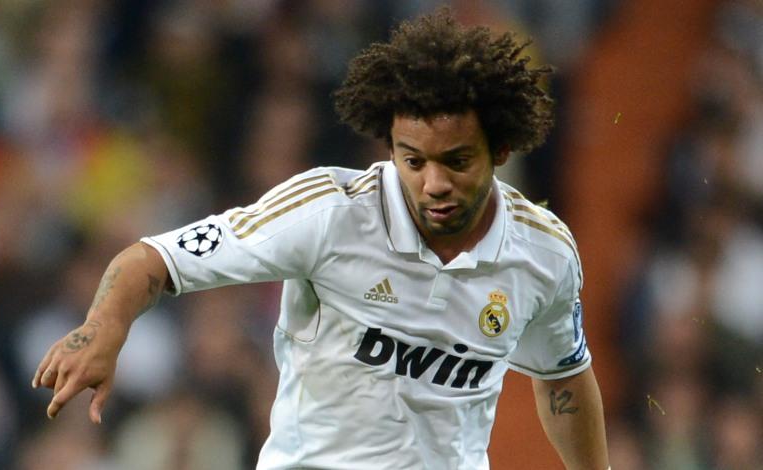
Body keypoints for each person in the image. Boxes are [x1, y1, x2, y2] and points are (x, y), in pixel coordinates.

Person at [33, 9, 609, 469]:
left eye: (456, 161)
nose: (433, 183)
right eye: (413, 160)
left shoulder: (544, 254)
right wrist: (103, 329)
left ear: (500, 150)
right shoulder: (329, 213)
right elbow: (153, 259)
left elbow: (562, 377)